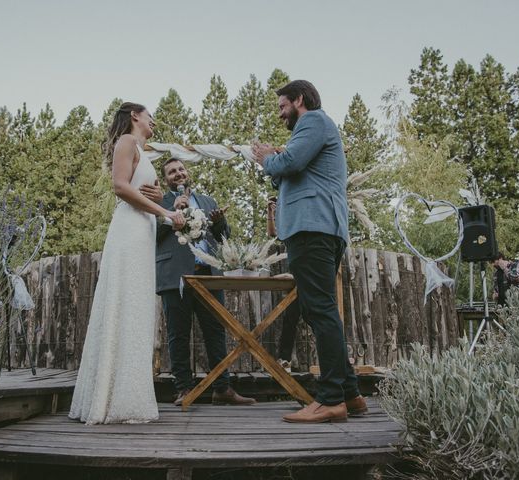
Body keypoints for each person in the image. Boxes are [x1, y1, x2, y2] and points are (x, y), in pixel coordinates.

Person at [252, 80, 366, 423]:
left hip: (313, 226)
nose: (280, 113)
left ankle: (331, 399)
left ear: (299, 100)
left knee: (320, 311)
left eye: (282, 105)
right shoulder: (309, 129)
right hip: (314, 228)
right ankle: (351, 394)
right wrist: (276, 161)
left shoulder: (313, 121)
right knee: (321, 309)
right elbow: (286, 173)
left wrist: (268, 158)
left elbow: (290, 164)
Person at [69, 103, 185, 424]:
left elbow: (139, 191)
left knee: (137, 310)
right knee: (125, 305)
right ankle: (110, 398)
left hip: (143, 234)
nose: (153, 120)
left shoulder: (143, 152)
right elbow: (120, 187)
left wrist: (158, 199)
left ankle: (127, 394)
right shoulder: (126, 142)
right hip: (129, 233)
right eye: (149, 115)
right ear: (135, 116)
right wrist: (166, 212)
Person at [156, 158, 256, 407]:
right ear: (166, 178)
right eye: (171, 172)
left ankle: (222, 388)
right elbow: (151, 234)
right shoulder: (160, 202)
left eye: (181, 169)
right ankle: (184, 389)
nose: (178, 174)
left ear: (187, 172)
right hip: (176, 275)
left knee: (215, 332)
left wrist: (220, 222)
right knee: (178, 334)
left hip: (209, 274)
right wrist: (172, 214)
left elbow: (223, 238)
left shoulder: (207, 201)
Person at [267, 197, 301, 372]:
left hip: (309, 277)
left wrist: (292, 275)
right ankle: (285, 360)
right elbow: (273, 234)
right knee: (290, 319)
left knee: (317, 318)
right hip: (297, 280)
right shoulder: (289, 228)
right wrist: (270, 213)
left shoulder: (303, 222)